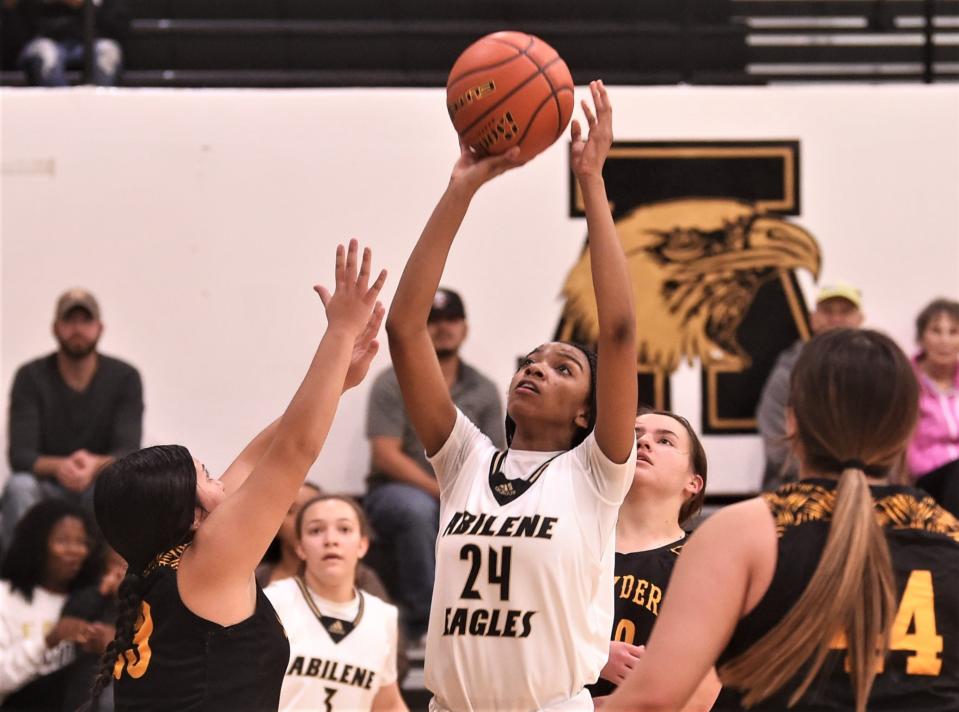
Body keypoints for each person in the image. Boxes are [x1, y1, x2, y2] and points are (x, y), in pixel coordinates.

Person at [386, 80, 638, 711]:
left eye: (562, 368)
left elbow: (621, 331)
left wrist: (592, 184)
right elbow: (404, 328)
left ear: (588, 410)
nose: (537, 368)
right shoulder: (466, 460)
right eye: (531, 361)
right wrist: (461, 189)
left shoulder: (596, 473)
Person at [83, 240, 387, 712]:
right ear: (188, 512)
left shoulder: (172, 562)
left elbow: (261, 452)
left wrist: (338, 384)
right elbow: (293, 452)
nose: (221, 480)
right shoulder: (210, 560)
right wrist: (341, 331)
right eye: (205, 474)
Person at [604, 328, 959, 712]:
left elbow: (651, 701)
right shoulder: (949, 534)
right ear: (907, 428)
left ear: (791, 421)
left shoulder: (740, 532)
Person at [365, 286, 504, 641]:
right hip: (396, 492)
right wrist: (441, 491)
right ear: (420, 328)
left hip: (464, 492)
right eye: (434, 320)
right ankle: (428, 622)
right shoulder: (391, 381)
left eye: (452, 319)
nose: (444, 328)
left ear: (465, 328)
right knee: (416, 510)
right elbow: (386, 454)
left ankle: (490, 623)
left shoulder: (484, 389)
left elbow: (495, 458)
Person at [587, 410, 720, 711]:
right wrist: (593, 657)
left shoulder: (702, 561)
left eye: (664, 441)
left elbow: (703, 693)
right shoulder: (571, 542)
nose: (644, 442)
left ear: (694, 483)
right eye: (635, 435)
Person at [1, 288, 143, 551]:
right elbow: (20, 456)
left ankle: (112, 580)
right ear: (56, 328)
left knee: (124, 486)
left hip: (99, 486)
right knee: (19, 486)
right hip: (46, 488)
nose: (77, 329)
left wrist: (94, 466)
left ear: (99, 328)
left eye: (85, 320)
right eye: (69, 321)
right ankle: (19, 583)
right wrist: (60, 467)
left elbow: (129, 451)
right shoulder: (30, 377)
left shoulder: (125, 378)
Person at [265, 494, 408, 712]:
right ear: (300, 547)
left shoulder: (383, 616)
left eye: (344, 529)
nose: (330, 540)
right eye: (316, 530)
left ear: (362, 545)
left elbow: (388, 704)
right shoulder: (273, 601)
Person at [756, 281, 864, 490]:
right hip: (795, 489)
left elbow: (888, 439)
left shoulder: (875, 372)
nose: (836, 319)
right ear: (813, 318)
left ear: (860, 319)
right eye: (827, 311)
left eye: (845, 311)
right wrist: (831, 479)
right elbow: (777, 445)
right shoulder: (787, 374)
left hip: (862, 489)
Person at [0, 499, 104, 710]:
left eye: (82, 542)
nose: (75, 550)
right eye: (63, 541)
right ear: (36, 545)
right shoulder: (5, 597)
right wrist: (48, 640)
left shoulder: (94, 599)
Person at [908, 297, 959, 516]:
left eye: (953, 332)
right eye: (936, 331)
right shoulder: (906, 382)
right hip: (925, 480)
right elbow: (902, 442)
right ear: (922, 337)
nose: (944, 340)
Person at [11, 0, 128, 86]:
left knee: (108, 51)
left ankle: (97, 112)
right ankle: (61, 112)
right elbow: (23, 31)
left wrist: (86, 5)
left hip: (92, 42)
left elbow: (119, 27)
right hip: (46, 41)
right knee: (47, 54)